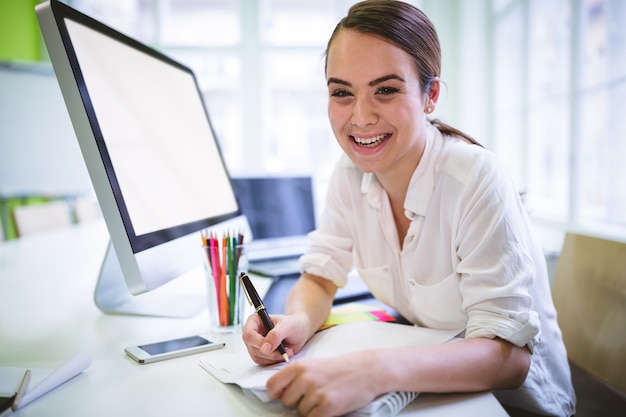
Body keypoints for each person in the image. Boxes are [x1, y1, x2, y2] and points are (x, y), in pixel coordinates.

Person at [242, 1, 576, 416]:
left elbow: (509, 358)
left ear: (430, 94)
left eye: (386, 89)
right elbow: (319, 277)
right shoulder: (349, 175)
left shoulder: (475, 178)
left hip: (513, 407)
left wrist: (371, 371)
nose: (360, 117)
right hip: (428, 391)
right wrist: (296, 323)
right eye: (342, 93)